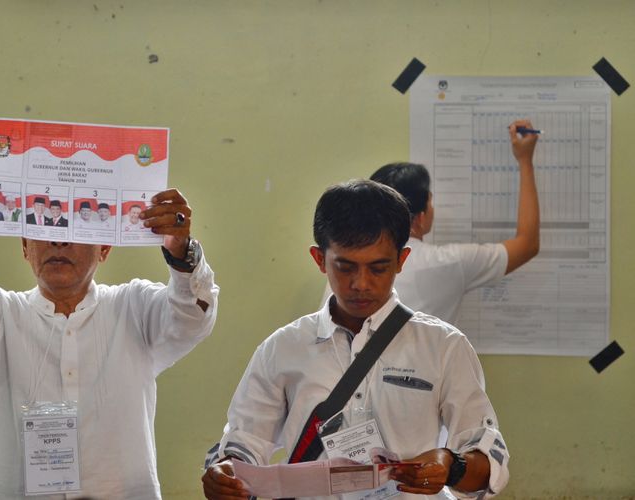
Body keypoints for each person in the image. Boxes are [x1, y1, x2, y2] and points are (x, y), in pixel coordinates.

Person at [0, 160, 220, 499]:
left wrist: (181, 252)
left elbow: (193, 317)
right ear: (24, 247)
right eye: (44, 228)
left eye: (74, 230)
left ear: (104, 247)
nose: (58, 242)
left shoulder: (134, 308)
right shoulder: (0, 317)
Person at [202, 180, 508, 499]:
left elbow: (488, 458)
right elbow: (244, 443)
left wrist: (452, 465)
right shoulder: (282, 348)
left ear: (402, 260)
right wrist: (225, 475)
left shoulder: (444, 347)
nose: (361, 284)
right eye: (345, 267)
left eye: (378, 268)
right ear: (319, 259)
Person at [321, 120, 540, 325]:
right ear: (421, 216)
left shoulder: (345, 267)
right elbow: (528, 244)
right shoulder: (448, 263)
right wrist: (525, 160)